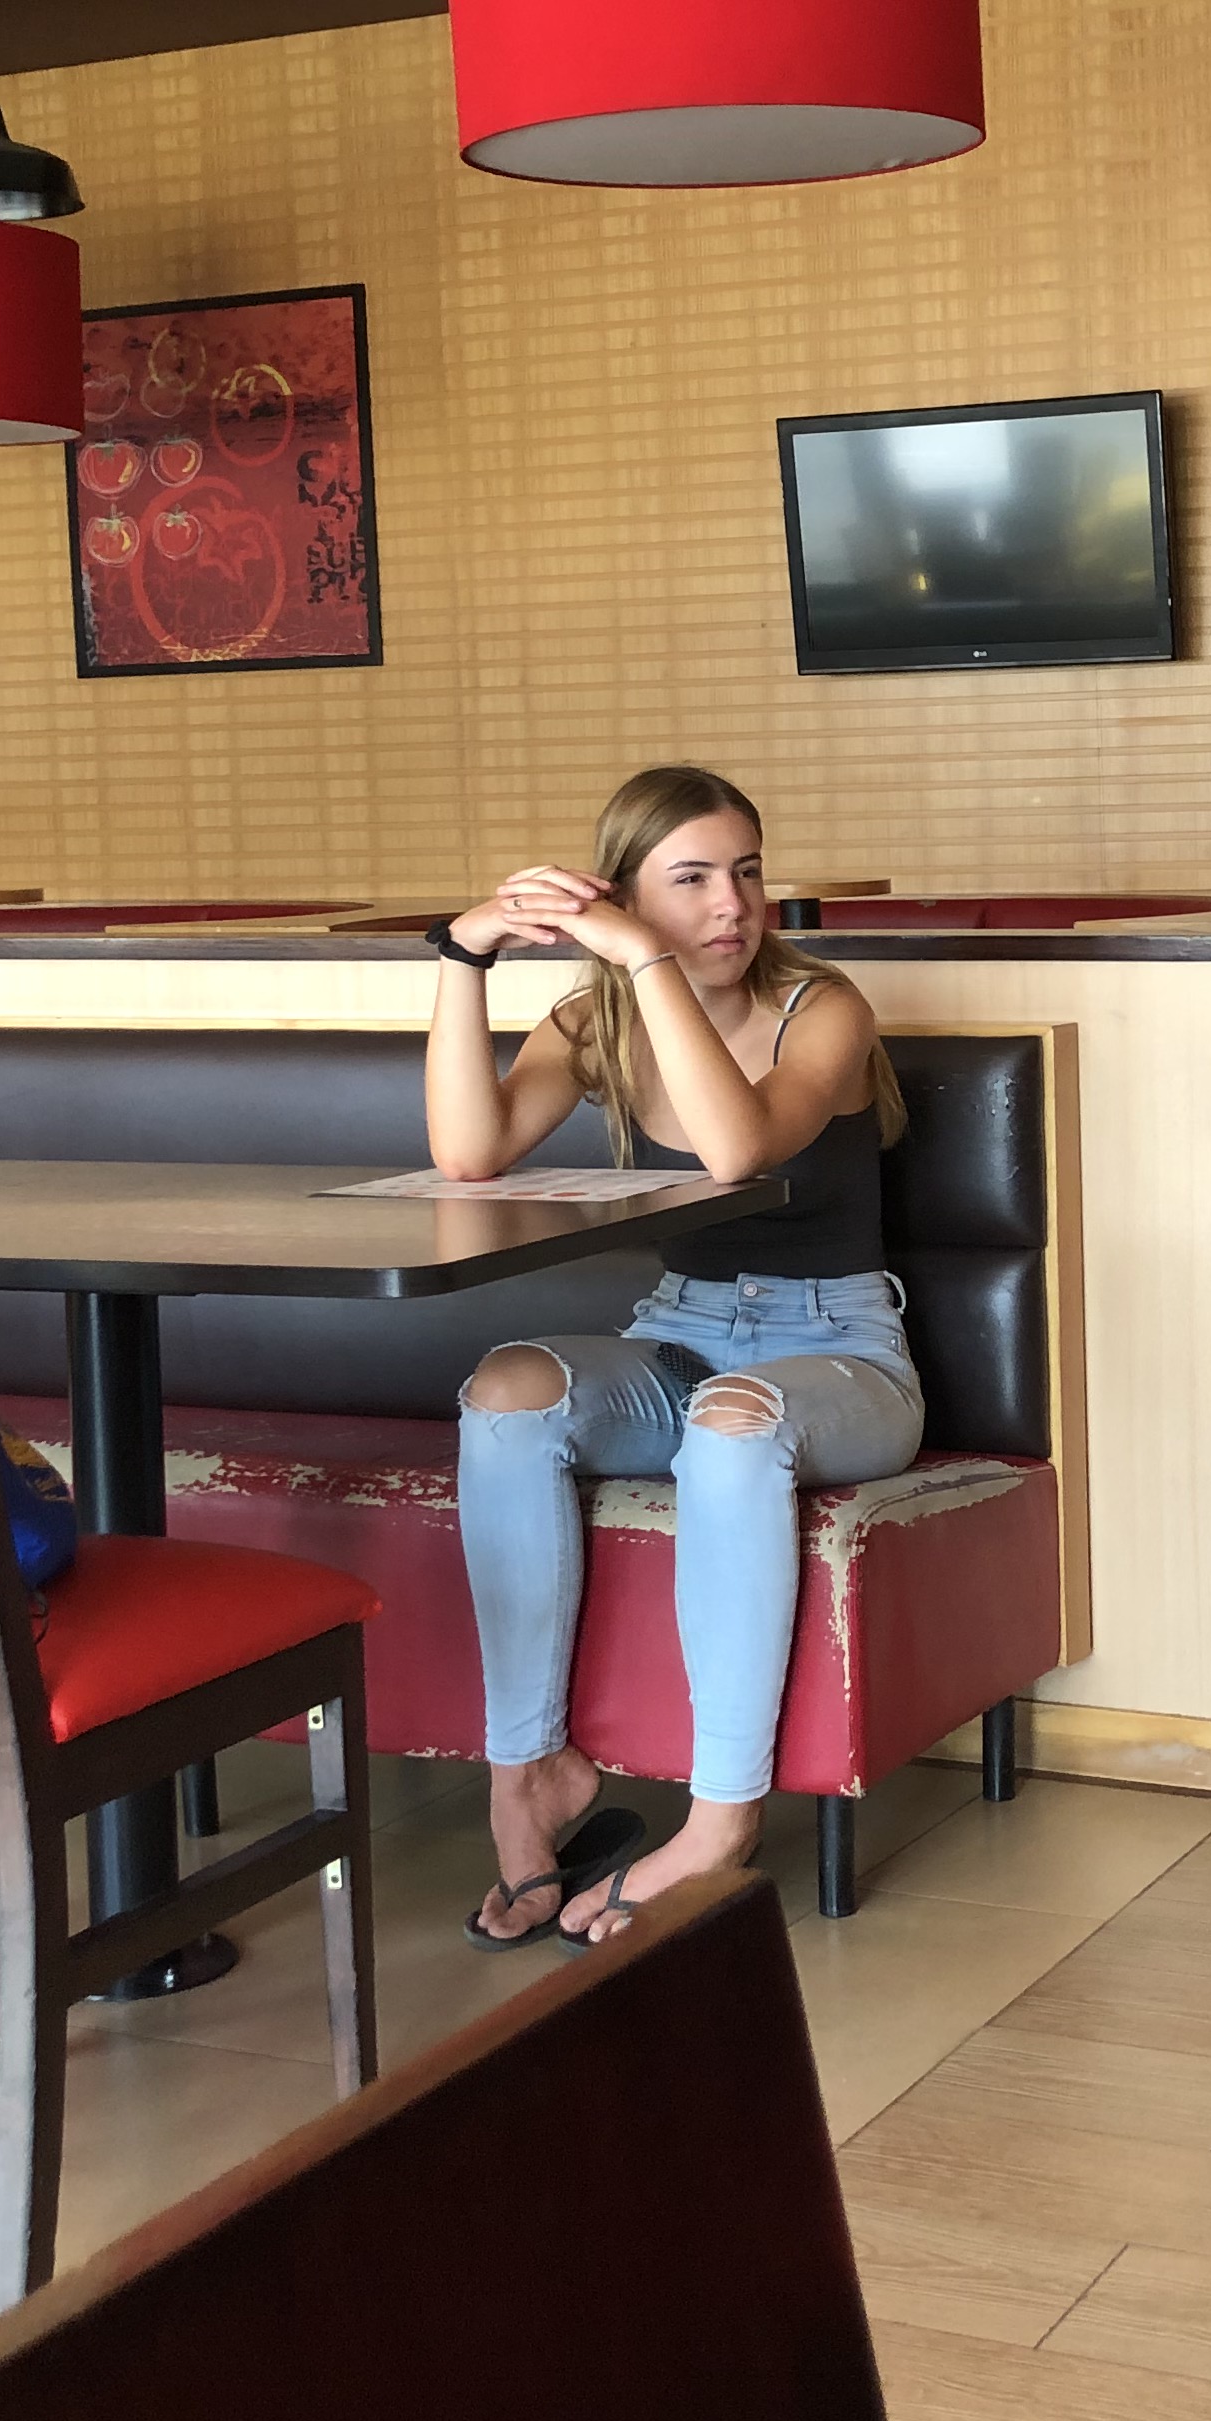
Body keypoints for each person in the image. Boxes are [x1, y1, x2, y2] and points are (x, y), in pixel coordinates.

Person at [427, 765, 917, 1946]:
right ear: (626, 894)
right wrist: (463, 951)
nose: (732, 904)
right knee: (506, 1392)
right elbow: (469, 1153)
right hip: (680, 1331)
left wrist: (644, 957)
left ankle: (718, 1822)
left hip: (842, 1350)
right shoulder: (595, 1022)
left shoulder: (823, 1010)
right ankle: (529, 1774)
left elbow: (736, 1148)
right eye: (690, 879)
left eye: (745, 872)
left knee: (732, 1425)